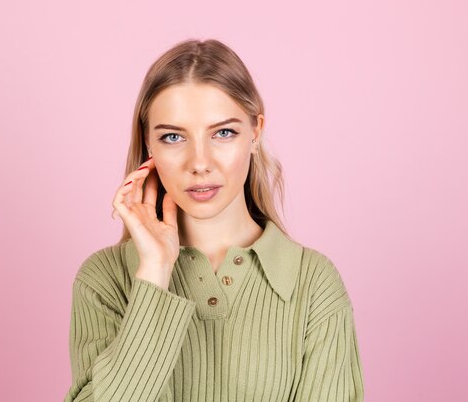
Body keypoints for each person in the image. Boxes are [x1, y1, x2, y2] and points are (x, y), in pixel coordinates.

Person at [63, 38, 365, 402]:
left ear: (255, 132)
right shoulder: (104, 280)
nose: (200, 162)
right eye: (173, 137)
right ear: (148, 145)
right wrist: (155, 272)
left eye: (223, 132)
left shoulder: (313, 283)